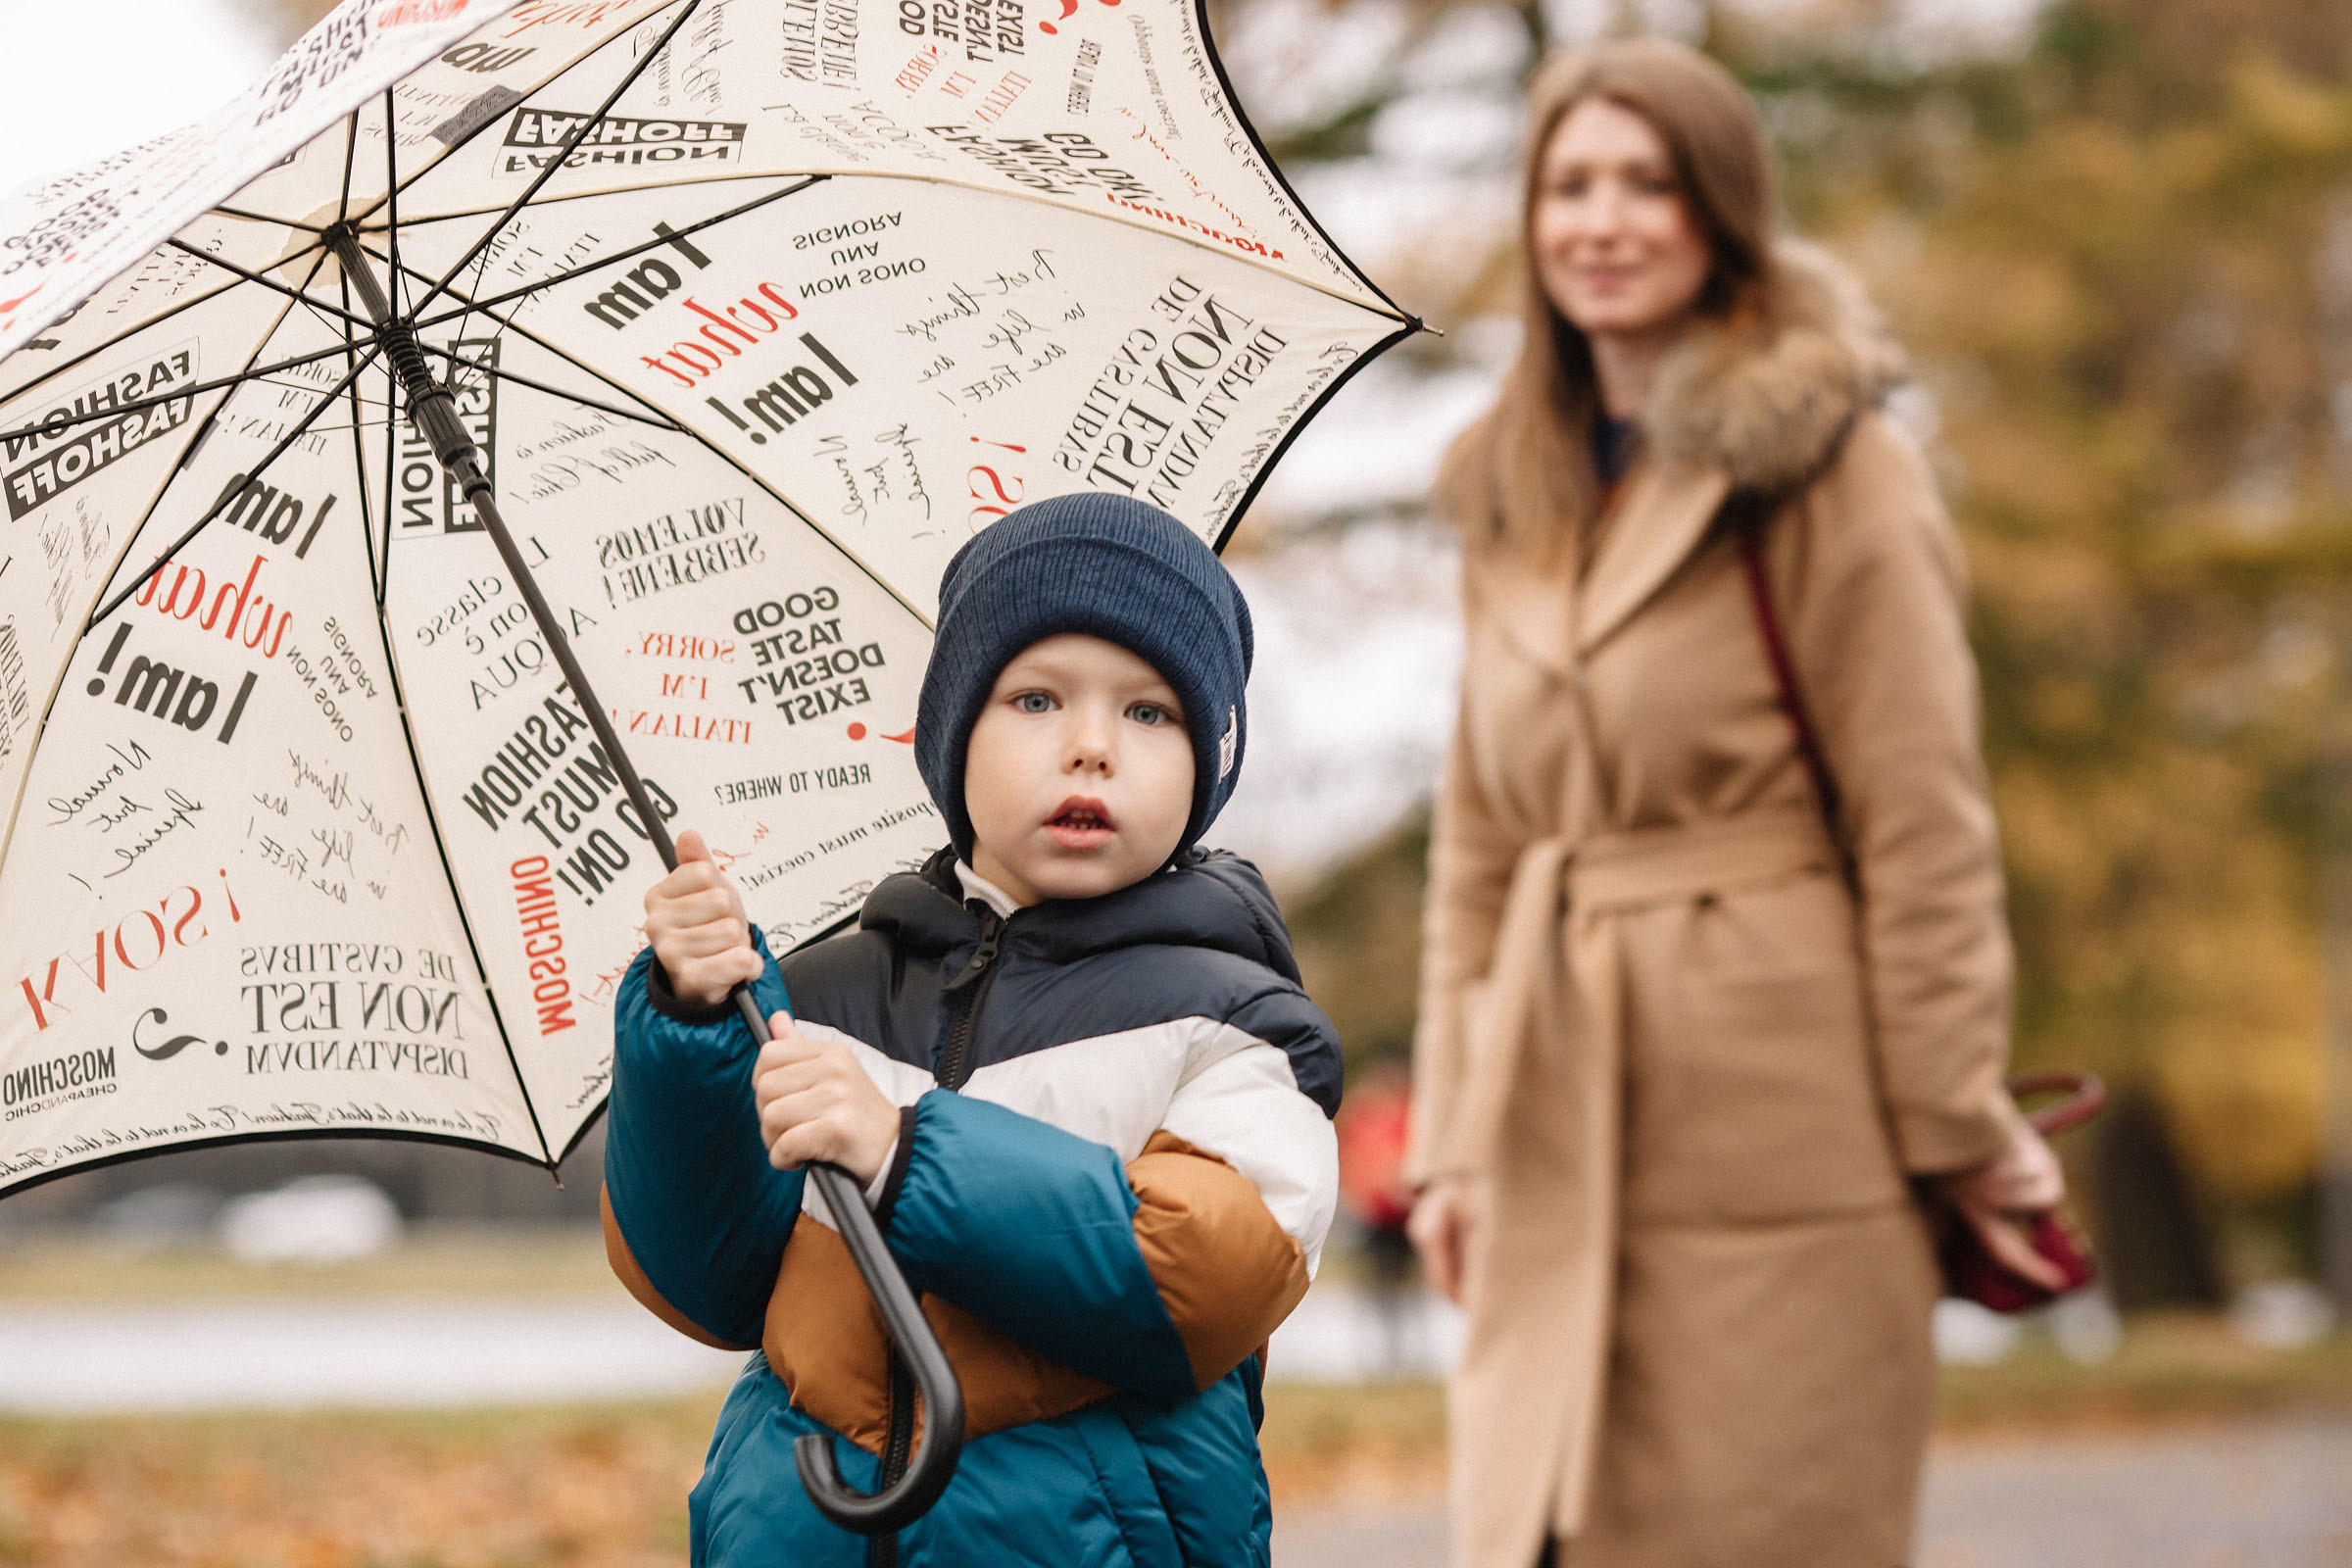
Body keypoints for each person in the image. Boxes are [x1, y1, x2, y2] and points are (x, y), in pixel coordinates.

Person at [1402, 38, 2067, 1568]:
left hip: (1782, 1107)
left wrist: (1958, 1119)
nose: (1603, 222)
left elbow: (1923, 821)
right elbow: (1481, 854)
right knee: (1545, 1530)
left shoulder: (1835, 466)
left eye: (1648, 184)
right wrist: (1447, 1143)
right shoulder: (1509, 490)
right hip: (1548, 1101)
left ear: (1721, 214)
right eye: (1570, 186)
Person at [599, 493, 1341, 1568]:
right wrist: (694, 1023)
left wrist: (907, 1154)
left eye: (1150, 713)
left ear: (1209, 764)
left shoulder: (1238, 1024)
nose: (1092, 746)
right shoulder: (818, 1000)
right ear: (951, 737)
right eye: (1036, 698)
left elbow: (1204, 1277)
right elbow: (703, 1282)